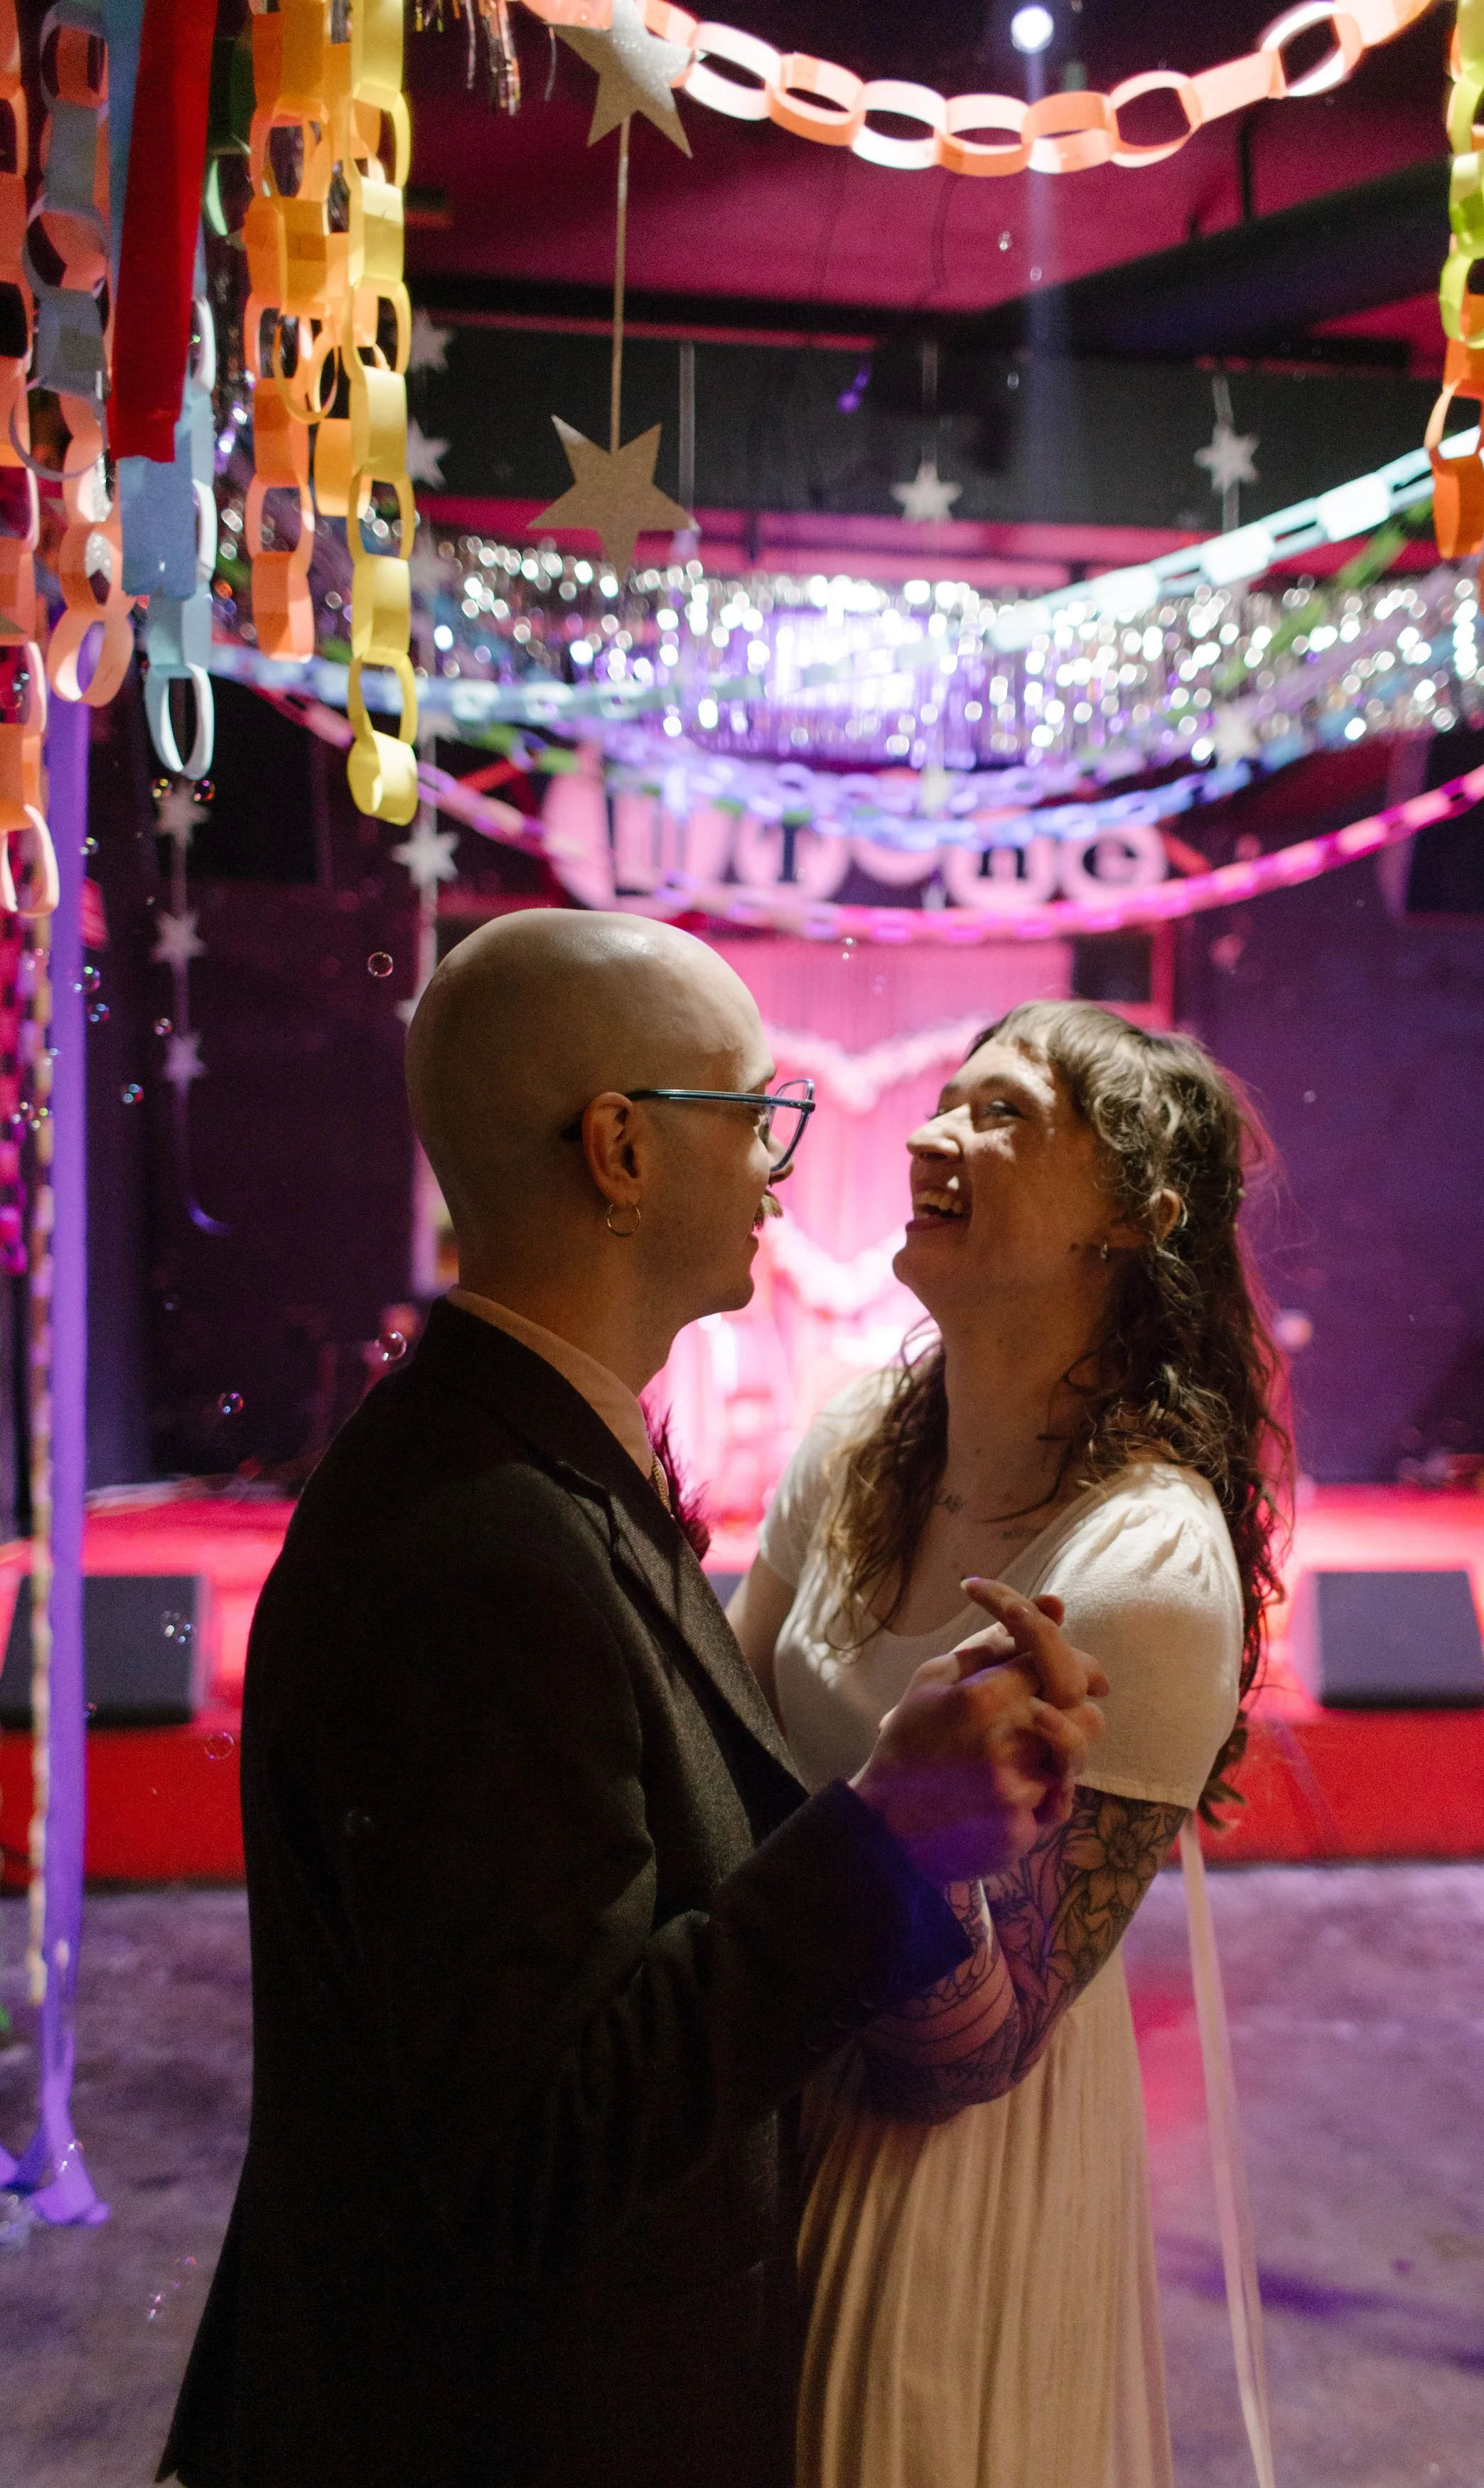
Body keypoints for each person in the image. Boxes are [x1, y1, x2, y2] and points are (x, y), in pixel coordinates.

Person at [159, 913, 1108, 2488]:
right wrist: (888, 1833)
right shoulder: (481, 1547)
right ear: (619, 1150)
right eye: (753, 1114)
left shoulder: (524, 1459)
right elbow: (546, 2138)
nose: (779, 1169)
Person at [728, 1001, 1289, 2488]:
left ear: (1133, 1216)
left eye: (1000, 1115)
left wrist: (911, 1853)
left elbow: (951, 2065)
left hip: (934, 2172)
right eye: (937, 1104)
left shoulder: (1141, 1571)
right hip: (739, 2058)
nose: (928, 1136)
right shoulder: (854, 1439)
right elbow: (708, 1748)